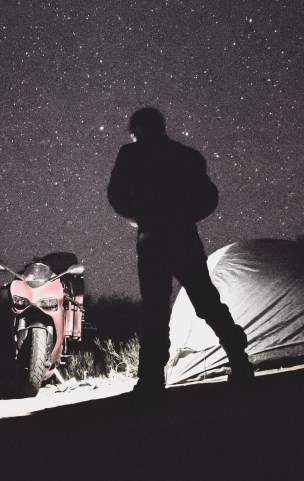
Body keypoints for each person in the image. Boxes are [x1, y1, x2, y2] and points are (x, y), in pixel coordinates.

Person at [107, 107, 254, 396]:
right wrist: (184, 216)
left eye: (133, 132)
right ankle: (239, 359)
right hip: (183, 237)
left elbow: (116, 195)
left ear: (138, 129)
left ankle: (151, 380)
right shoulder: (187, 156)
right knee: (206, 300)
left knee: (155, 309)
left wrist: (140, 216)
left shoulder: (130, 154)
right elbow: (209, 197)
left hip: (152, 240)